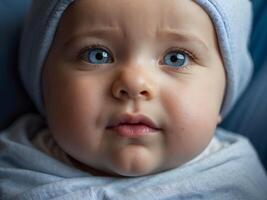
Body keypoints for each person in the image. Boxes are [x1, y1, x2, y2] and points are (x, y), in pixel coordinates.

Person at [1, 0, 267, 199]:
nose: (134, 83)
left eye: (177, 58)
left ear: (222, 96)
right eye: (97, 55)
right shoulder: (12, 170)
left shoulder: (240, 184)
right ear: (43, 84)